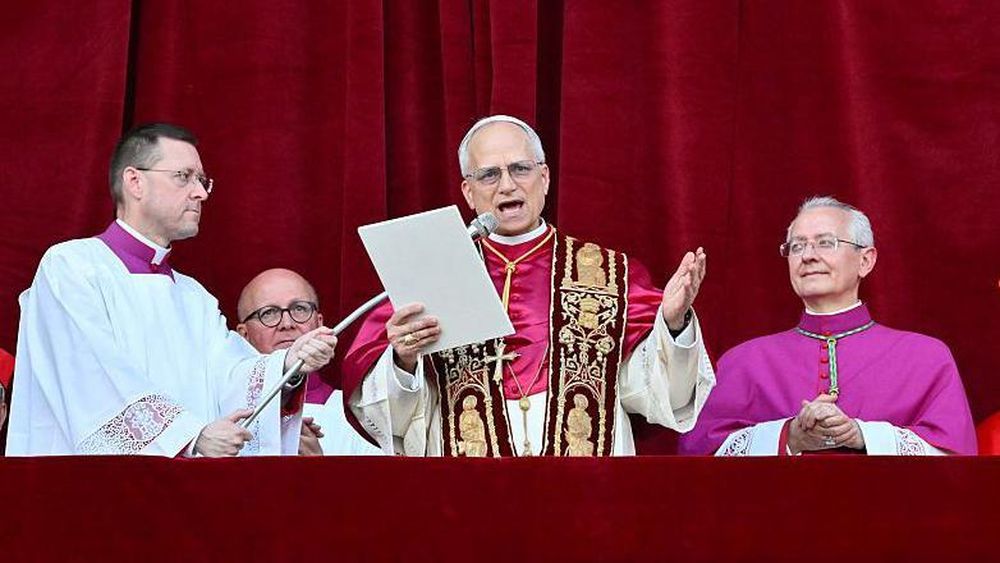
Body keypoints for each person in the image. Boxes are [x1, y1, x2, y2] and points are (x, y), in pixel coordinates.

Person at [342, 115, 715, 456]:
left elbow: (653, 392)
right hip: (466, 492)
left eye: (520, 168)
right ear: (468, 192)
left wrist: (673, 324)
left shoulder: (608, 274)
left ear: (545, 178)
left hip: (586, 490)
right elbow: (395, 420)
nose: (507, 185)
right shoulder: (431, 274)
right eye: (489, 175)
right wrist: (404, 360)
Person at [6, 123, 337, 457]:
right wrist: (190, 436)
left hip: (182, 484)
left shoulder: (194, 297)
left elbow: (229, 376)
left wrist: (287, 364)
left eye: (202, 180)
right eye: (184, 177)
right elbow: (92, 379)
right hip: (91, 480)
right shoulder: (72, 267)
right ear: (135, 181)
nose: (201, 193)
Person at [679, 196, 977, 456]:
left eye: (825, 242)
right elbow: (700, 456)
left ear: (865, 261)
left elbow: (957, 460)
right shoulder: (743, 361)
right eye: (797, 246)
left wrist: (862, 435)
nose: (808, 256)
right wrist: (789, 436)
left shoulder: (926, 357)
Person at [236, 268, 382, 456]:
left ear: (319, 323)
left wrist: (319, 467)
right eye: (269, 313)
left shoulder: (360, 412)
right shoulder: (221, 411)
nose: (287, 324)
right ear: (244, 334)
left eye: (299, 309)